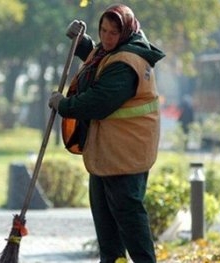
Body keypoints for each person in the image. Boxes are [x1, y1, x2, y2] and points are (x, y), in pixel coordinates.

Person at [49, 4, 165, 263]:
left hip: (124, 156)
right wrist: (82, 42)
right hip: (109, 154)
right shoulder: (117, 51)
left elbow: (98, 101)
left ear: (125, 32)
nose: (107, 37)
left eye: (113, 32)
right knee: (107, 228)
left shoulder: (127, 64)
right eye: (103, 30)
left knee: (129, 220)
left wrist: (64, 105)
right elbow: (98, 60)